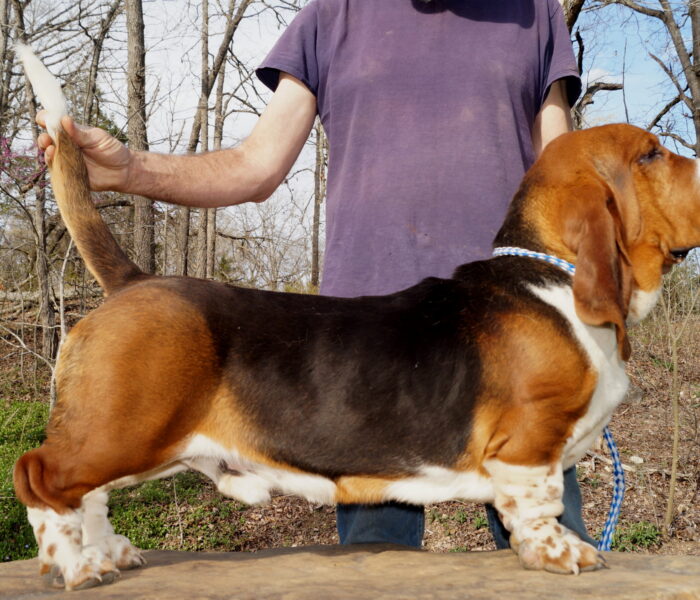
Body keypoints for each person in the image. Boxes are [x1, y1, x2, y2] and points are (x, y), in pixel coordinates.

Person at [39, 0, 595, 551]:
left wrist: (595, 310)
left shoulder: (535, 14)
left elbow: (565, 179)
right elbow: (255, 166)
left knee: (560, 559)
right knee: (374, 569)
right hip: (368, 351)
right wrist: (130, 168)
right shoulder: (329, 17)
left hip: (516, 338)